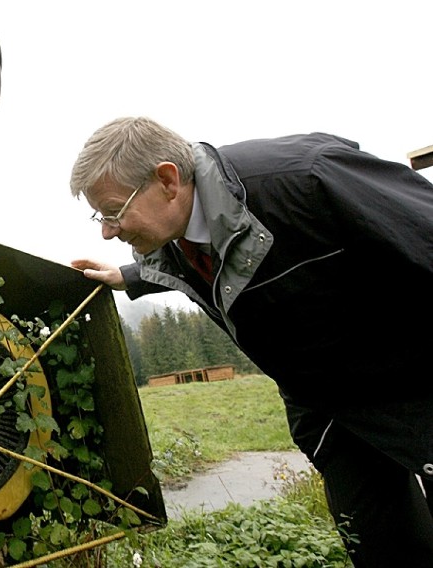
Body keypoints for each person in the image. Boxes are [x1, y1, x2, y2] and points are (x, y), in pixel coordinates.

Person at [68, 116, 433, 567]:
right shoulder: (177, 239)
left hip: (413, 383)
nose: (107, 230)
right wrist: (128, 276)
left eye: (113, 212)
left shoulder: (306, 178)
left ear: (167, 179)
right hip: (330, 411)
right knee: (382, 545)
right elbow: (213, 263)